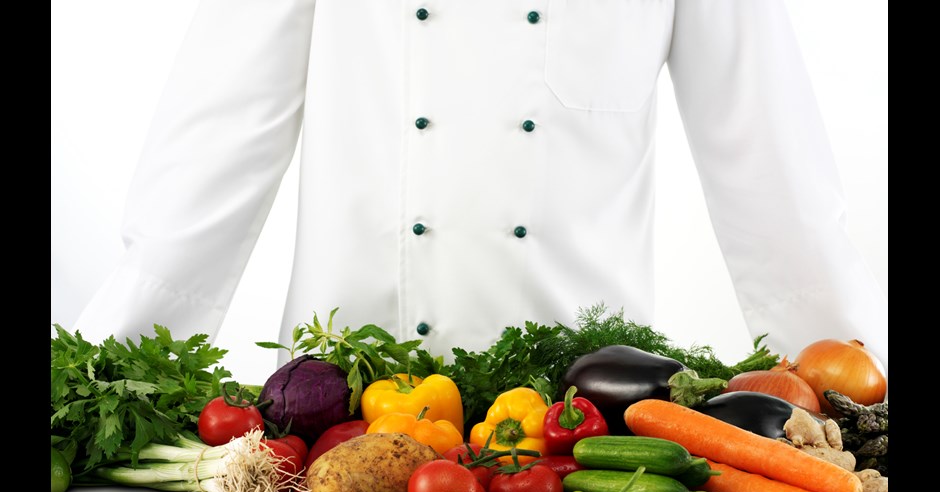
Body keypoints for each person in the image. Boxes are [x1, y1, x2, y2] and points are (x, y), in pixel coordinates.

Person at [70, 0, 888, 374]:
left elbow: (767, 162)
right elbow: (223, 129)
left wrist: (856, 404)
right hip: (342, 409)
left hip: (583, 422)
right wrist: (103, 365)